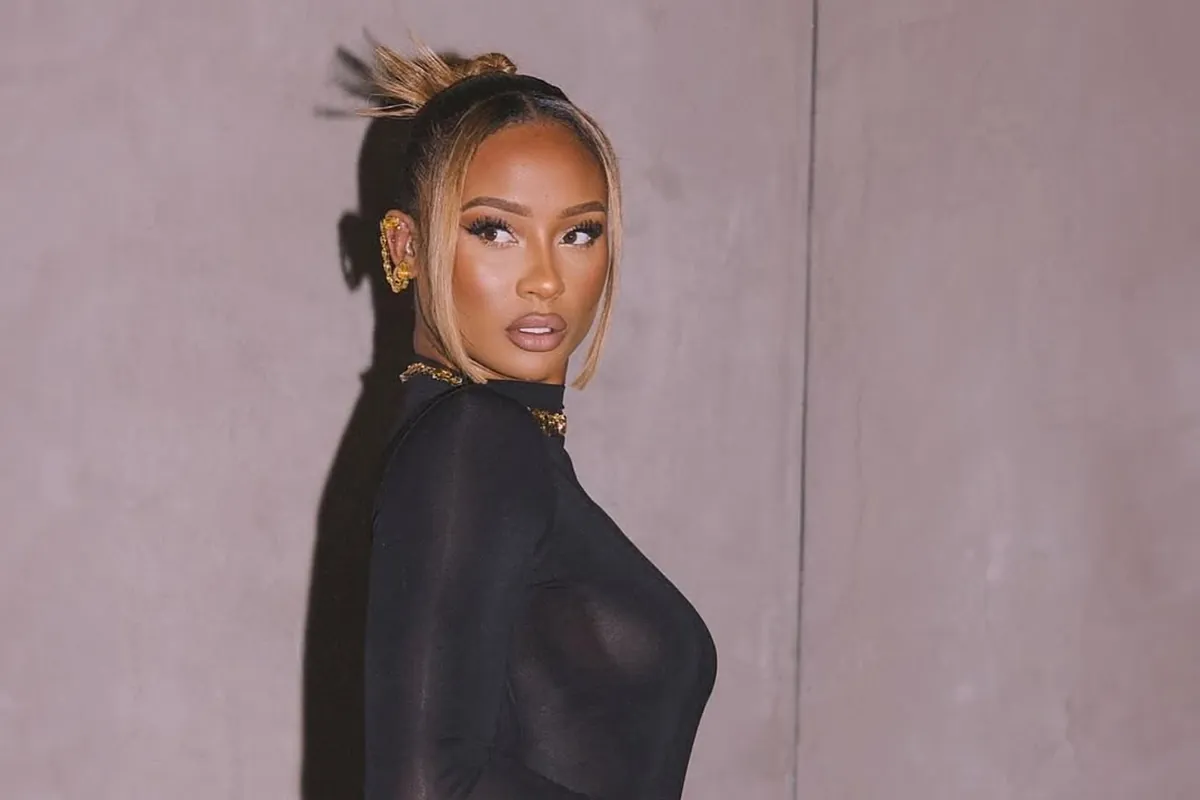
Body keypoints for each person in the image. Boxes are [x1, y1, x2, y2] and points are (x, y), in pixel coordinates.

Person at [362, 41, 717, 799]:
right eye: (495, 229)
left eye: (578, 232)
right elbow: (425, 786)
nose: (546, 280)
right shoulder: (472, 442)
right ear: (404, 245)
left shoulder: (494, 446)